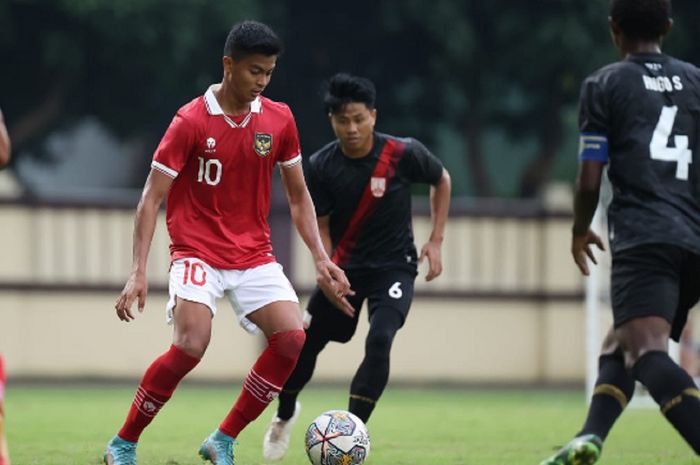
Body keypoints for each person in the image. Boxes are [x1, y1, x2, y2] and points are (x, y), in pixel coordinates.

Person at [103, 21, 351, 465]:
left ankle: (223, 438)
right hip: (196, 250)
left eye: (269, 72)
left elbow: (298, 196)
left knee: (292, 340)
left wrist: (319, 257)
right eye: (254, 70)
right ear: (228, 65)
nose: (261, 81)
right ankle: (124, 442)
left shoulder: (279, 119)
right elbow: (150, 198)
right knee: (191, 345)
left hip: (254, 253)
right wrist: (138, 270)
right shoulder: (190, 121)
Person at [539, 1, 700, 464]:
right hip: (692, 237)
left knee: (648, 353)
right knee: (621, 341)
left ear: (614, 30)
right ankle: (590, 437)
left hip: (644, 238)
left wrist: (577, 228)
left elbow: (591, 178)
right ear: (668, 27)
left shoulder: (605, 84)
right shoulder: (694, 80)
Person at [262, 73, 451, 462]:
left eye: (359, 119)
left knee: (380, 338)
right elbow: (323, 226)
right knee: (303, 343)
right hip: (345, 268)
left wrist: (436, 239)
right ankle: (284, 415)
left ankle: (350, 433)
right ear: (332, 120)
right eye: (343, 120)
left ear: (374, 116)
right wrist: (328, 271)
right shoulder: (321, 165)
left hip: (394, 268)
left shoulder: (403, 152)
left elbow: (441, 179)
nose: (352, 128)